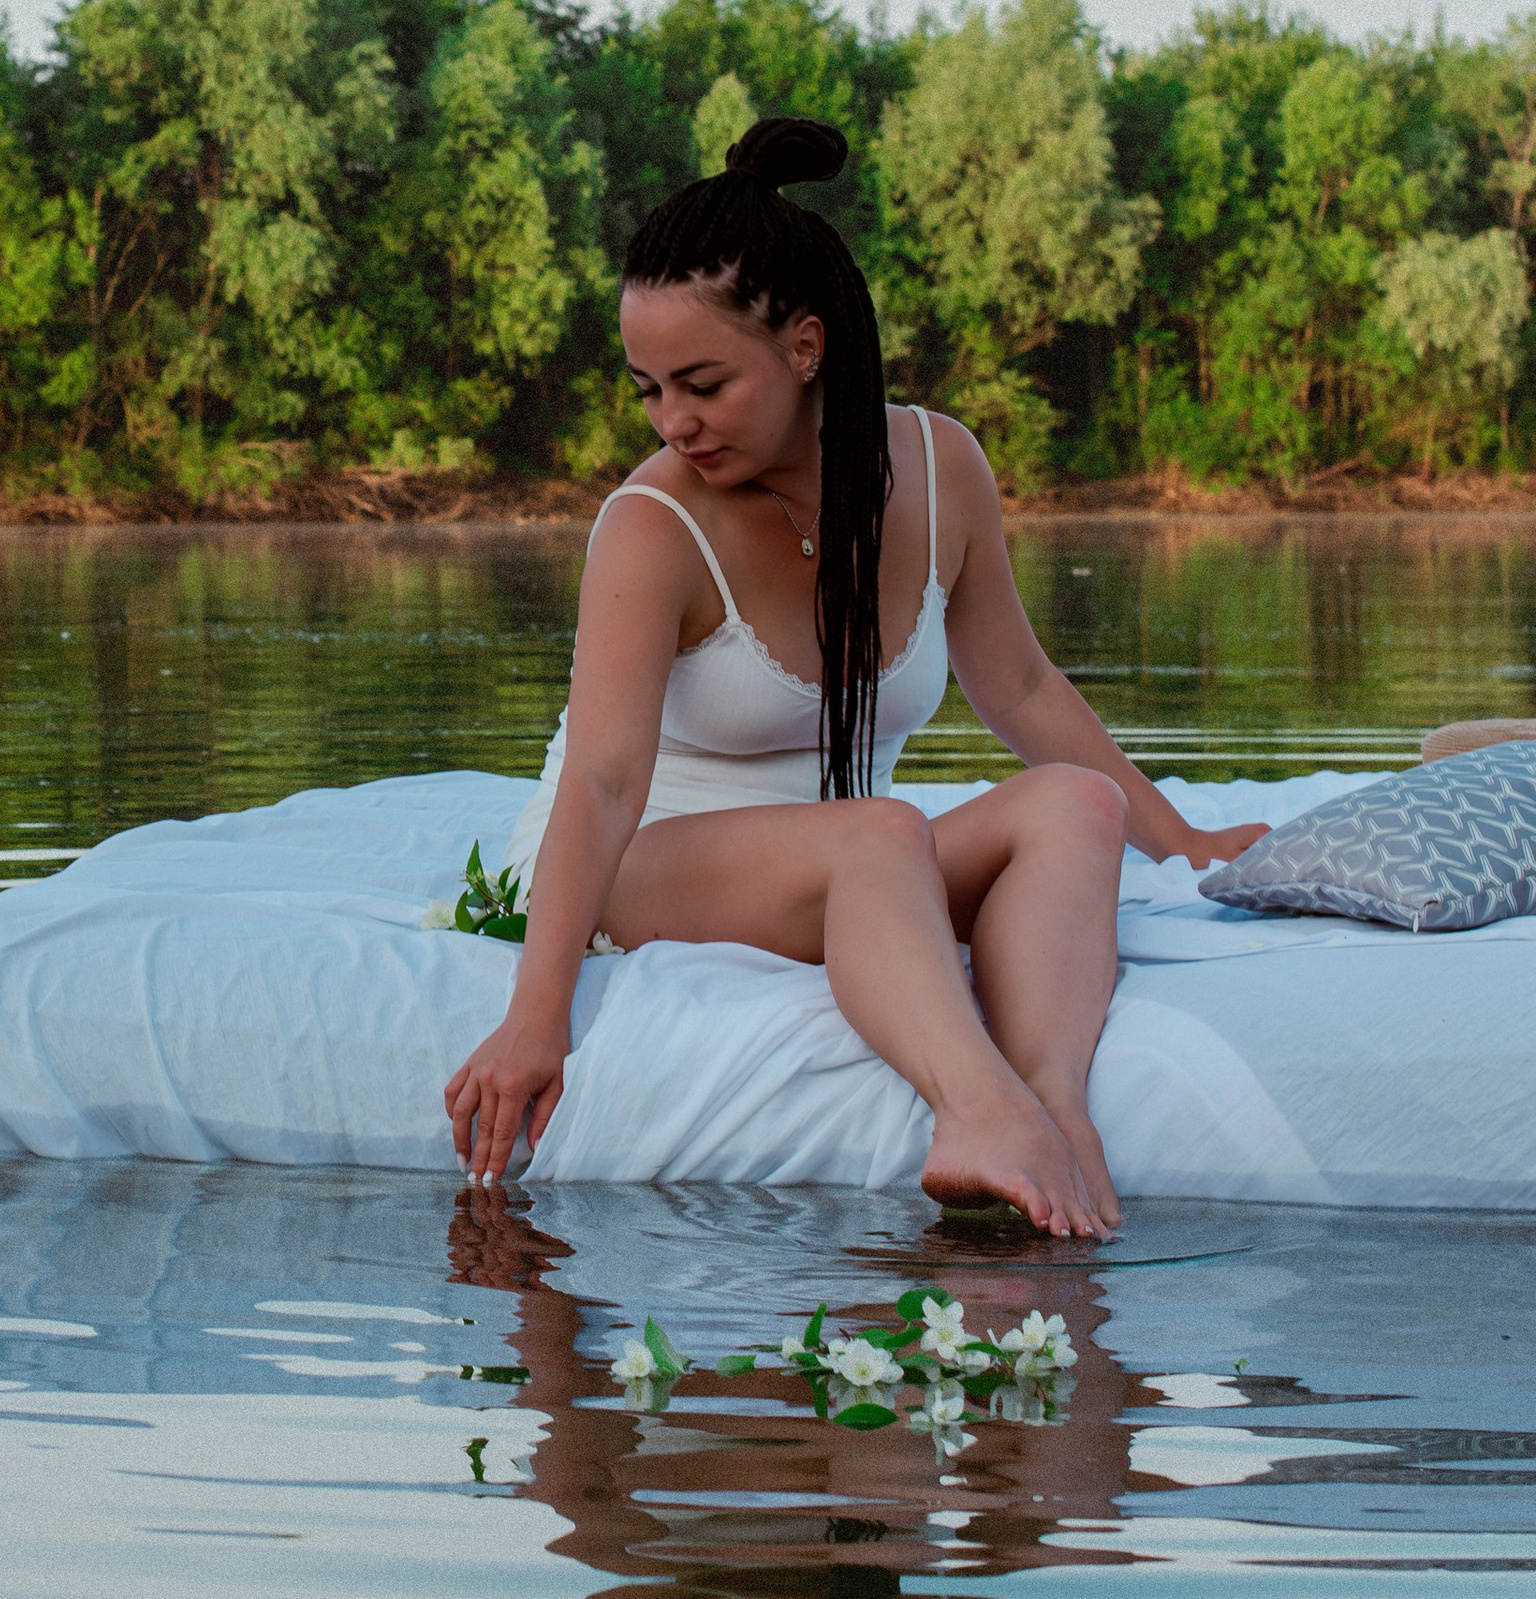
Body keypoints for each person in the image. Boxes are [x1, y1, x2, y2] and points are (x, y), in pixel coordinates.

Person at [444, 116, 1267, 1233]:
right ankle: (972, 1107)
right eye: (647, 389)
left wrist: (1175, 841)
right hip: (646, 861)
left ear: (805, 345)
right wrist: (535, 1014)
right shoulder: (650, 525)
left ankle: (1055, 1122)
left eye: (701, 384)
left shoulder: (940, 464)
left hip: (848, 866)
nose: (672, 421)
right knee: (879, 830)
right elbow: (599, 780)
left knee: (1076, 807)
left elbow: (1019, 687)